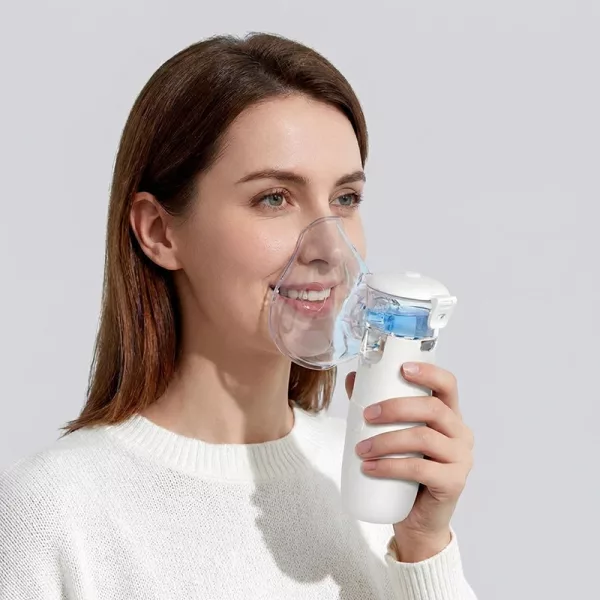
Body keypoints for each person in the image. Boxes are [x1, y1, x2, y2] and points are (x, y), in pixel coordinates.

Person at [0, 33, 477, 599]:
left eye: (345, 199)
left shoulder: (372, 478)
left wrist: (424, 548)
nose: (330, 248)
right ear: (159, 231)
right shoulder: (54, 512)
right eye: (274, 198)